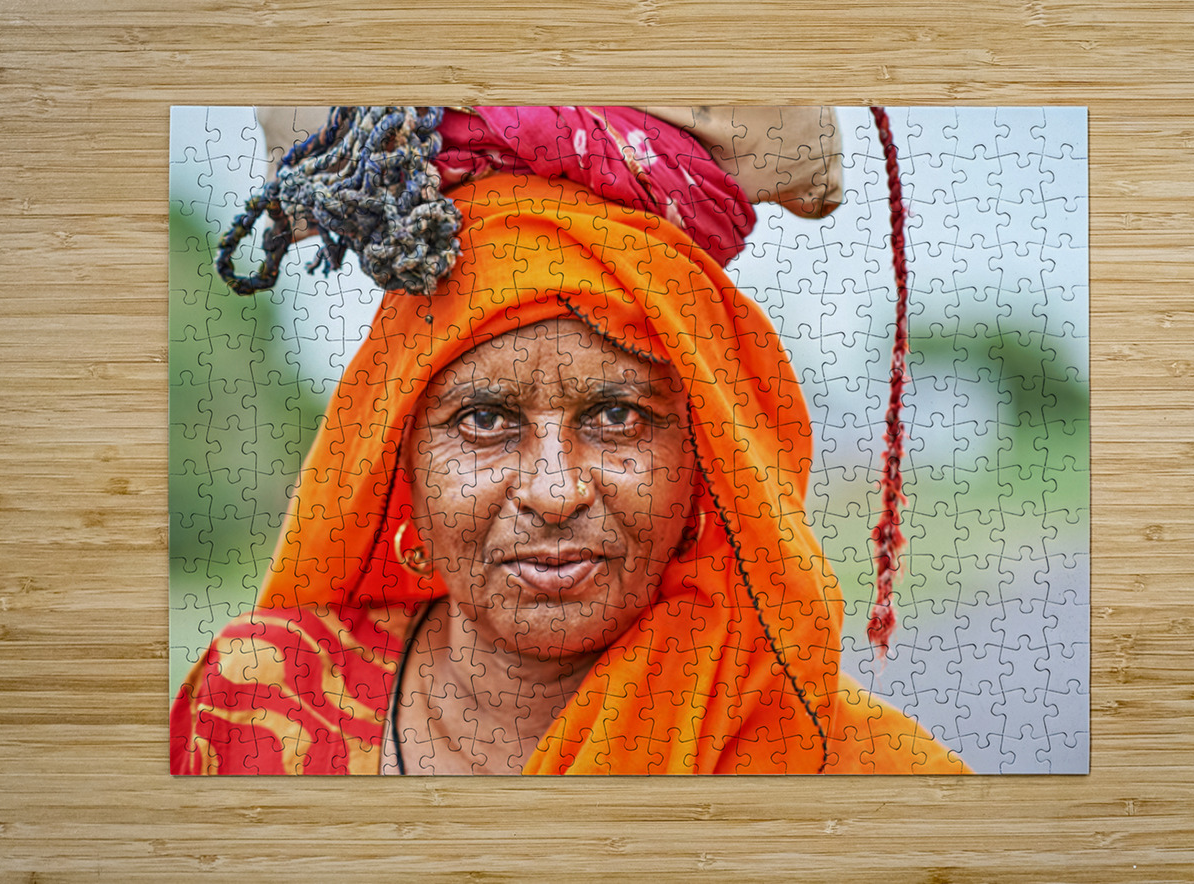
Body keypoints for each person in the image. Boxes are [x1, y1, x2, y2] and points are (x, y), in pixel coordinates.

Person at [171, 107, 967, 775]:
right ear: (399, 465)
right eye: (484, 420)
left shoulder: (862, 770)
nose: (554, 493)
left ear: (706, 464)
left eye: (618, 415)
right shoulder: (250, 700)